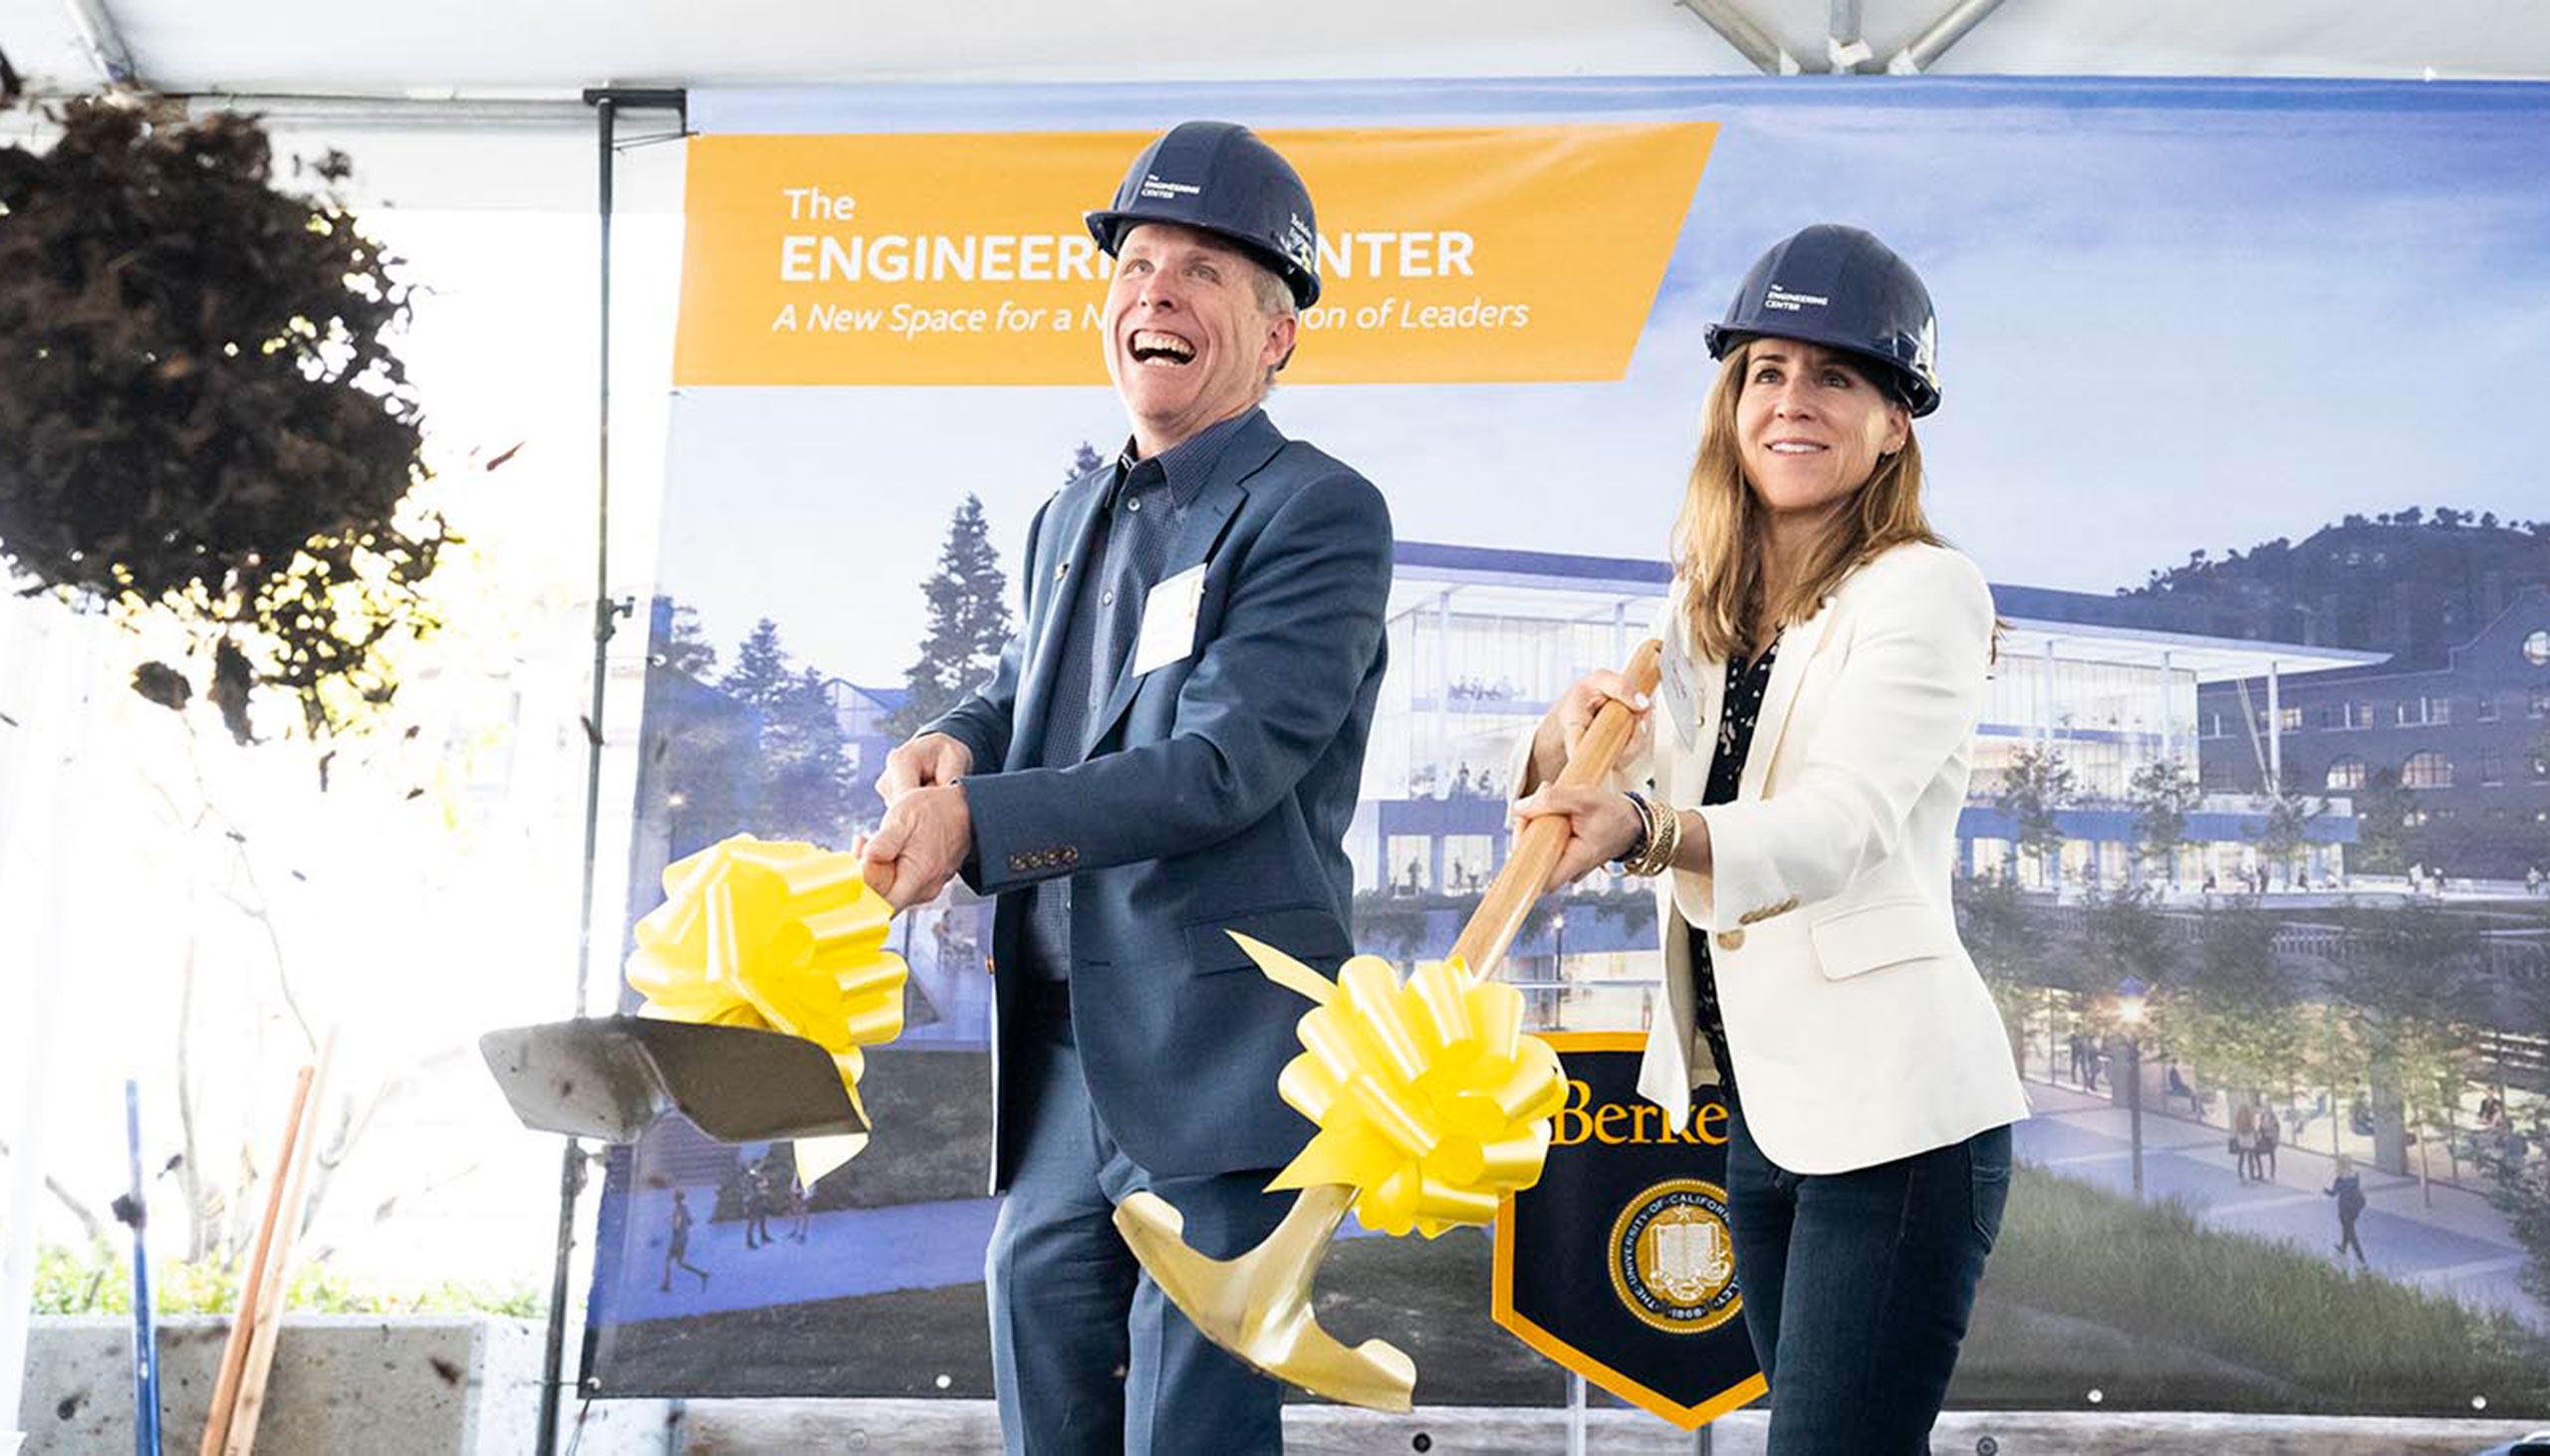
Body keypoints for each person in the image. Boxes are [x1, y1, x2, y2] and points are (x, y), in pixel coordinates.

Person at [858, 121, 1391, 1455]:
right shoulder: (1071, 515)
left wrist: (977, 823)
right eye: (1138, 261)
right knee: (1043, 1372)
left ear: (1279, 335)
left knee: (1188, 1417)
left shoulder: (1316, 512)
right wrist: (955, 745)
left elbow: (1221, 767)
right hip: (1061, 1052)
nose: (1157, 288)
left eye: (1205, 270)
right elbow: (1028, 690)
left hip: (1213, 1061)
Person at [1510, 224, 2027, 1452]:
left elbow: (1839, 827)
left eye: (1835, 376)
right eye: (1766, 371)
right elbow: (1593, 792)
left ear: (1897, 420)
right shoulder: (1703, 606)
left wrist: (1643, 827)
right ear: (1730, 400)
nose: (1792, 401)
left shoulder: (1921, 590)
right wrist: (1558, 743)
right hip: (1765, 1109)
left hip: (1899, 1126)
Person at [658, 1189, 709, 1294]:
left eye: (675, 1197)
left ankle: (666, 1284)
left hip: (677, 1240)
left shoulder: (678, 1210)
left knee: (668, 1260)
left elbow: (676, 1226)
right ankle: (701, 1274)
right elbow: (689, 1222)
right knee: (680, 1263)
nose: (673, 1198)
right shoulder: (685, 1208)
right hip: (684, 1238)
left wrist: (670, 1223)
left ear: (677, 1198)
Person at [2327, 1156, 2370, 1266]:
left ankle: (2360, 1257)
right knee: (2347, 1227)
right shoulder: (2355, 1175)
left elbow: (2333, 1194)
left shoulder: (2339, 1180)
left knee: (2350, 1232)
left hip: (2345, 1208)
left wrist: (2323, 1190)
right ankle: (2343, 1247)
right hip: (2356, 1206)